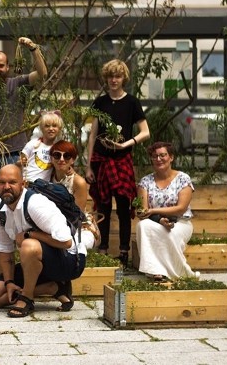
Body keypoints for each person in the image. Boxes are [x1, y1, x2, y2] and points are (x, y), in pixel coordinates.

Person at [0, 165, 86, 318]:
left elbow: (67, 242)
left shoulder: (36, 204)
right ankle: (51, 288)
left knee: (28, 245)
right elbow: (4, 250)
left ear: (22, 184)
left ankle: (27, 298)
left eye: (12, 182)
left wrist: (29, 234)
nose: (6, 187)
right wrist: (9, 282)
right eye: (1, 182)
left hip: (69, 262)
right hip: (36, 263)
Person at [85, 59, 150, 267]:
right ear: (106, 78)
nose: (114, 80)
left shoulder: (132, 102)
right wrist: (88, 166)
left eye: (118, 76)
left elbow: (145, 132)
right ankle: (102, 249)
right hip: (101, 161)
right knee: (102, 206)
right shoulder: (100, 103)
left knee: (123, 207)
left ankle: (123, 252)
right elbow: (93, 135)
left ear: (124, 78)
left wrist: (126, 145)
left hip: (122, 160)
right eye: (110, 76)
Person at [0, 37, 48, 199]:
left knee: (17, 196)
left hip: (16, 153)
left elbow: (42, 73)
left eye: (1, 65)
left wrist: (33, 49)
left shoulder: (17, 83)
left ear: (7, 67)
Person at [136, 142, 196, 281]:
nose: (158, 159)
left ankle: (178, 271)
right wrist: (158, 219)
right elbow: (143, 211)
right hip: (155, 221)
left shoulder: (183, 178)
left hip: (180, 222)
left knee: (171, 233)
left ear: (171, 157)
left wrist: (153, 210)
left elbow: (181, 208)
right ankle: (155, 270)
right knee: (142, 226)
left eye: (163, 155)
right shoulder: (145, 182)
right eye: (155, 156)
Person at [49, 140, 101, 250]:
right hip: (53, 226)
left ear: (72, 160)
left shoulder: (78, 182)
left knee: (70, 245)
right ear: (51, 158)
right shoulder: (47, 178)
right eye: (57, 155)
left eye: (67, 156)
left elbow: (76, 216)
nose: (61, 159)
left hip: (80, 228)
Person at [20, 111, 63, 184]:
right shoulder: (33, 144)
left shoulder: (57, 149)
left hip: (44, 186)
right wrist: (21, 161)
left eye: (54, 126)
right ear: (41, 128)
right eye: (47, 126)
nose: (51, 129)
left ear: (59, 129)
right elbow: (21, 161)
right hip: (28, 183)